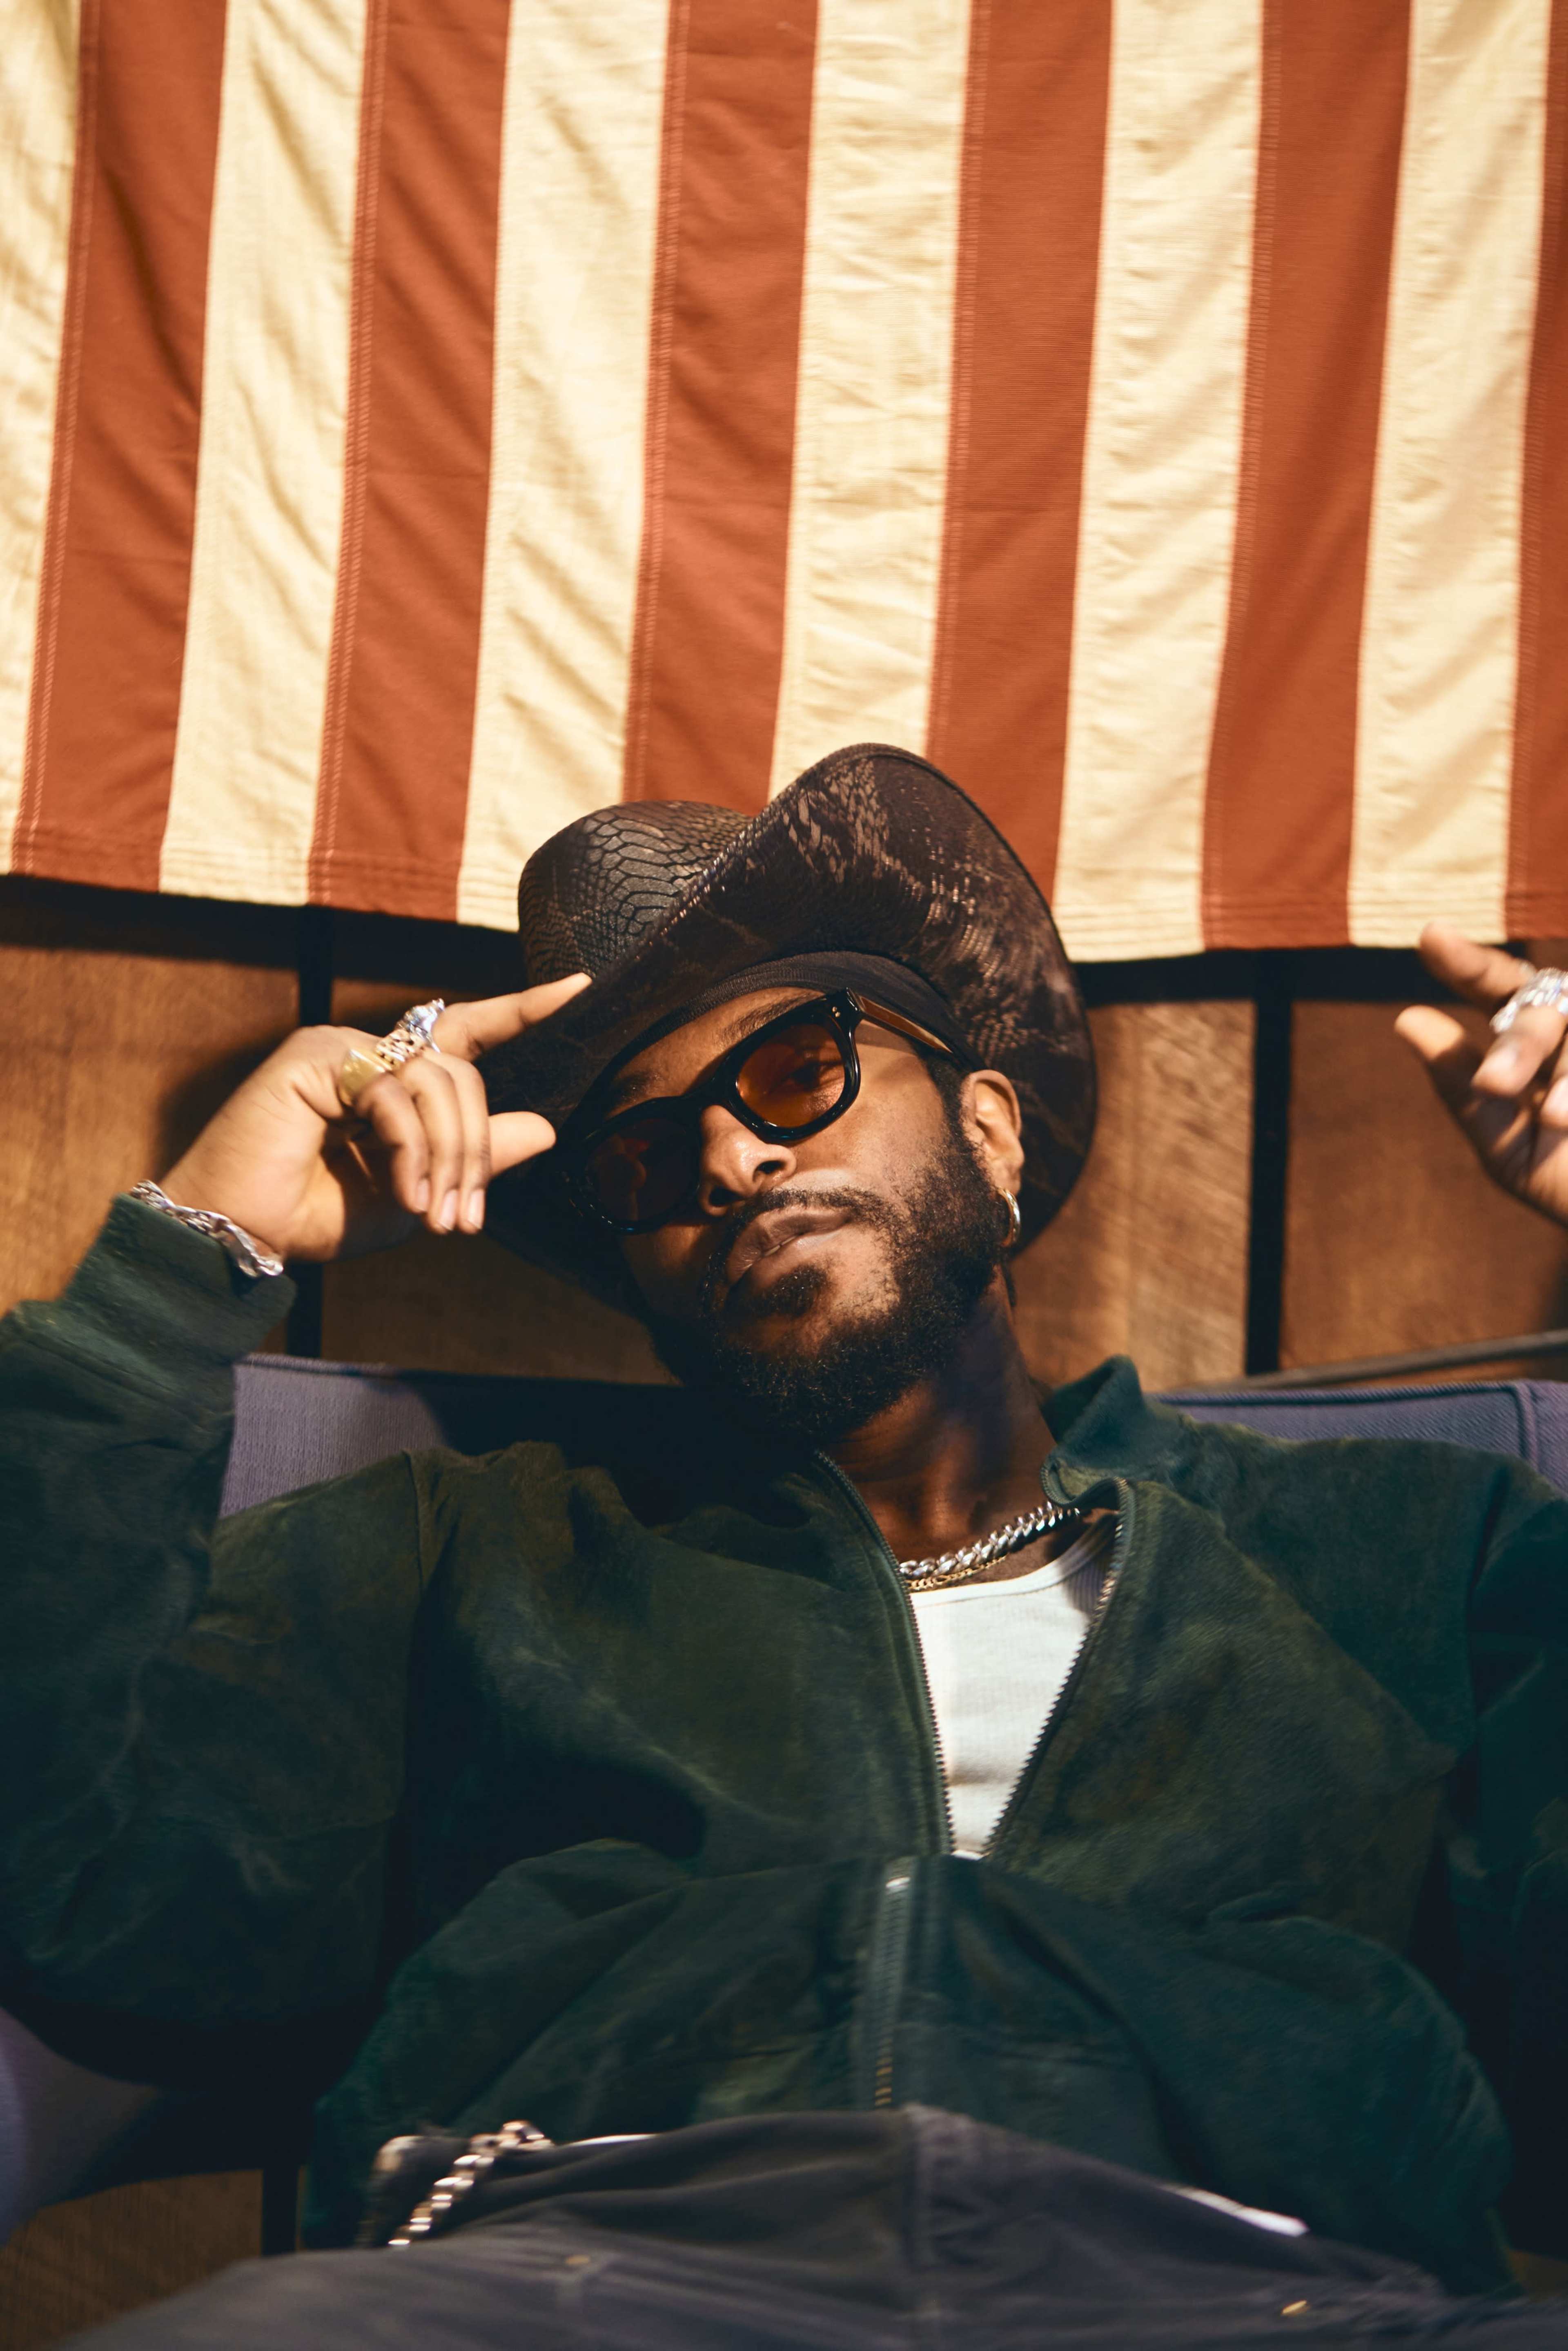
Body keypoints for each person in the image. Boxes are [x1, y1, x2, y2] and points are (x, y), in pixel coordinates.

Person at [1, 744, 1564, 2348]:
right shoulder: (479, 1553)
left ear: (992, 1134)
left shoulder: (1414, 1556)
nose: (731, 1159)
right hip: (576, 2278)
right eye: (643, 1151)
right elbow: (76, 1884)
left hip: (1273, 2287)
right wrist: (195, 1256)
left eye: (797, 1070)